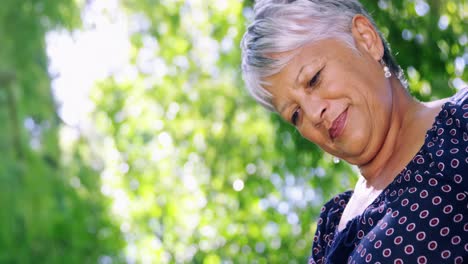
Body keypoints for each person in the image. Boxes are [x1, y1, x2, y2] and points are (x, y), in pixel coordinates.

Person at [240, 0, 467, 263]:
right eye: (295, 114)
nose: (313, 114)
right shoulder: (330, 231)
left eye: (314, 79)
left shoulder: (460, 125)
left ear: (366, 39)